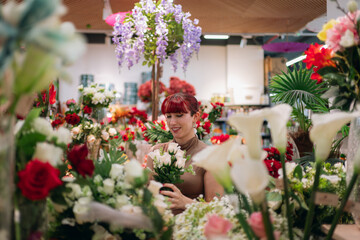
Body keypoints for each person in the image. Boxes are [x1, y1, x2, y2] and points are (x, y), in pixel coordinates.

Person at [146, 93, 224, 214]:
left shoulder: (211, 156)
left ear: (195, 117)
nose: (172, 122)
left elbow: (217, 209)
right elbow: (145, 195)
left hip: (190, 228)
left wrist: (185, 203)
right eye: (168, 116)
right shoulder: (156, 152)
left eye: (179, 115)